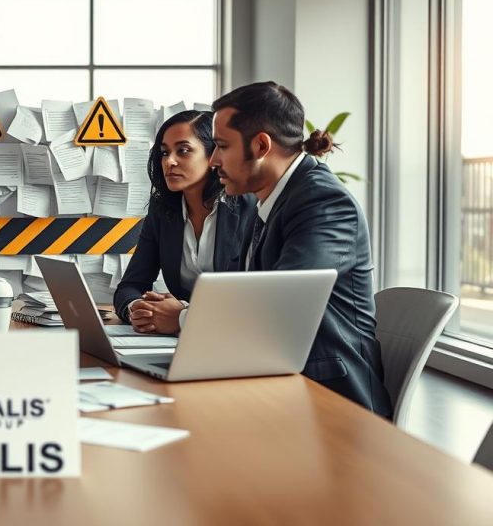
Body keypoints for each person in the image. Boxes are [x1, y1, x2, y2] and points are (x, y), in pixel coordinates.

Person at [209, 81, 392, 417]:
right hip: (281, 382)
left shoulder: (324, 202)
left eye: (221, 146)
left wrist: (183, 318)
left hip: (334, 401)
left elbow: (280, 304)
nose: (213, 161)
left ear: (261, 145)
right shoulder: (269, 201)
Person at [114, 110, 257, 334]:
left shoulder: (250, 207)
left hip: (235, 335)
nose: (169, 161)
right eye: (164, 152)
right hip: (179, 340)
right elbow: (131, 286)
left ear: (214, 155)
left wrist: (181, 315)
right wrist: (137, 309)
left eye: (183, 150)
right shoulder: (163, 210)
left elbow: (254, 299)